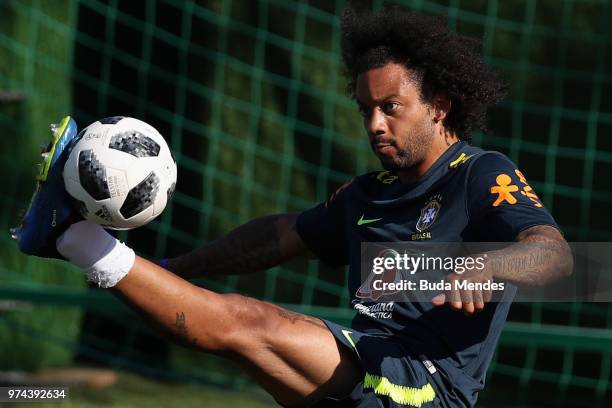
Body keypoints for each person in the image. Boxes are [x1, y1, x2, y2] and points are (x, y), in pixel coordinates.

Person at [12, 5, 571, 408]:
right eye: (365, 110)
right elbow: (277, 238)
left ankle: (73, 237)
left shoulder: (481, 174)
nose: (375, 124)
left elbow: (554, 256)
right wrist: (172, 272)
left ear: (440, 105)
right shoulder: (367, 194)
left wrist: (488, 264)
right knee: (243, 332)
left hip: (425, 388)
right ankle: (74, 241)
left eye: (391, 106)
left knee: (250, 323)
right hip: (365, 367)